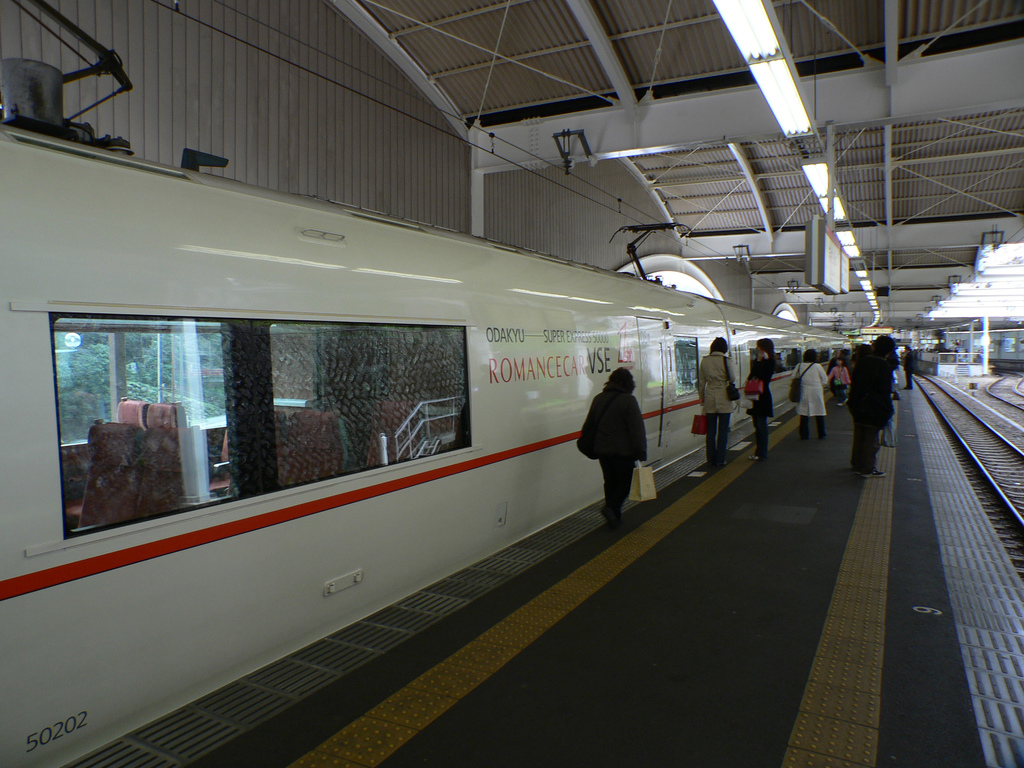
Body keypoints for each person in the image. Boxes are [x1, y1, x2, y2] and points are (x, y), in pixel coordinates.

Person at [580, 367, 647, 528]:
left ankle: (614, 517)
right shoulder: (628, 401)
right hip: (623, 452)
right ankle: (611, 508)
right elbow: (636, 429)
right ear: (629, 383)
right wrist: (641, 451)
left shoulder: (599, 398)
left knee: (610, 482)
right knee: (625, 483)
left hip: (603, 451)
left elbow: (589, 425)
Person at [847, 335, 896, 478]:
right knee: (871, 439)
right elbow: (884, 391)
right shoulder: (883, 365)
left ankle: (856, 464)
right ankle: (867, 469)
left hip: (857, 405)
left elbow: (854, 383)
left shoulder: (862, 362)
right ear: (888, 351)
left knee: (859, 435)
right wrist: (888, 410)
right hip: (874, 408)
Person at [697, 337, 737, 467]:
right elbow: (732, 378)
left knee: (711, 431)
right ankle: (721, 459)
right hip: (723, 396)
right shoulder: (726, 360)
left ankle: (710, 459)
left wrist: (702, 398)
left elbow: (701, 382)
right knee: (723, 430)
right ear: (724, 348)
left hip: (710, 396)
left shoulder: (705, 361)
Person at [746, 338, 775, 462]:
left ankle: (762, 453)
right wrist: (758, 360)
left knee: (761, 425)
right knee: (757, 425)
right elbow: (751, 376)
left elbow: (764, 376)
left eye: (759, 347)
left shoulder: (771, 361)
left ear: (764, 348)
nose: (757, 349)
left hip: (762, 397)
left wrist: (761, 361)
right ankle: (759, 452)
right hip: (754, 396)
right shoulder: (758, 361)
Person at [795, 349, 829, 439]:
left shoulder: (799, 366)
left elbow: (793, 377)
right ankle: (821, 434)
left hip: (804, 391)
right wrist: (818, 384)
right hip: (816, 391)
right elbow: (825, 380)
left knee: (804, 414)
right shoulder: (818, 366)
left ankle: (804, 435)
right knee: (819, 413)